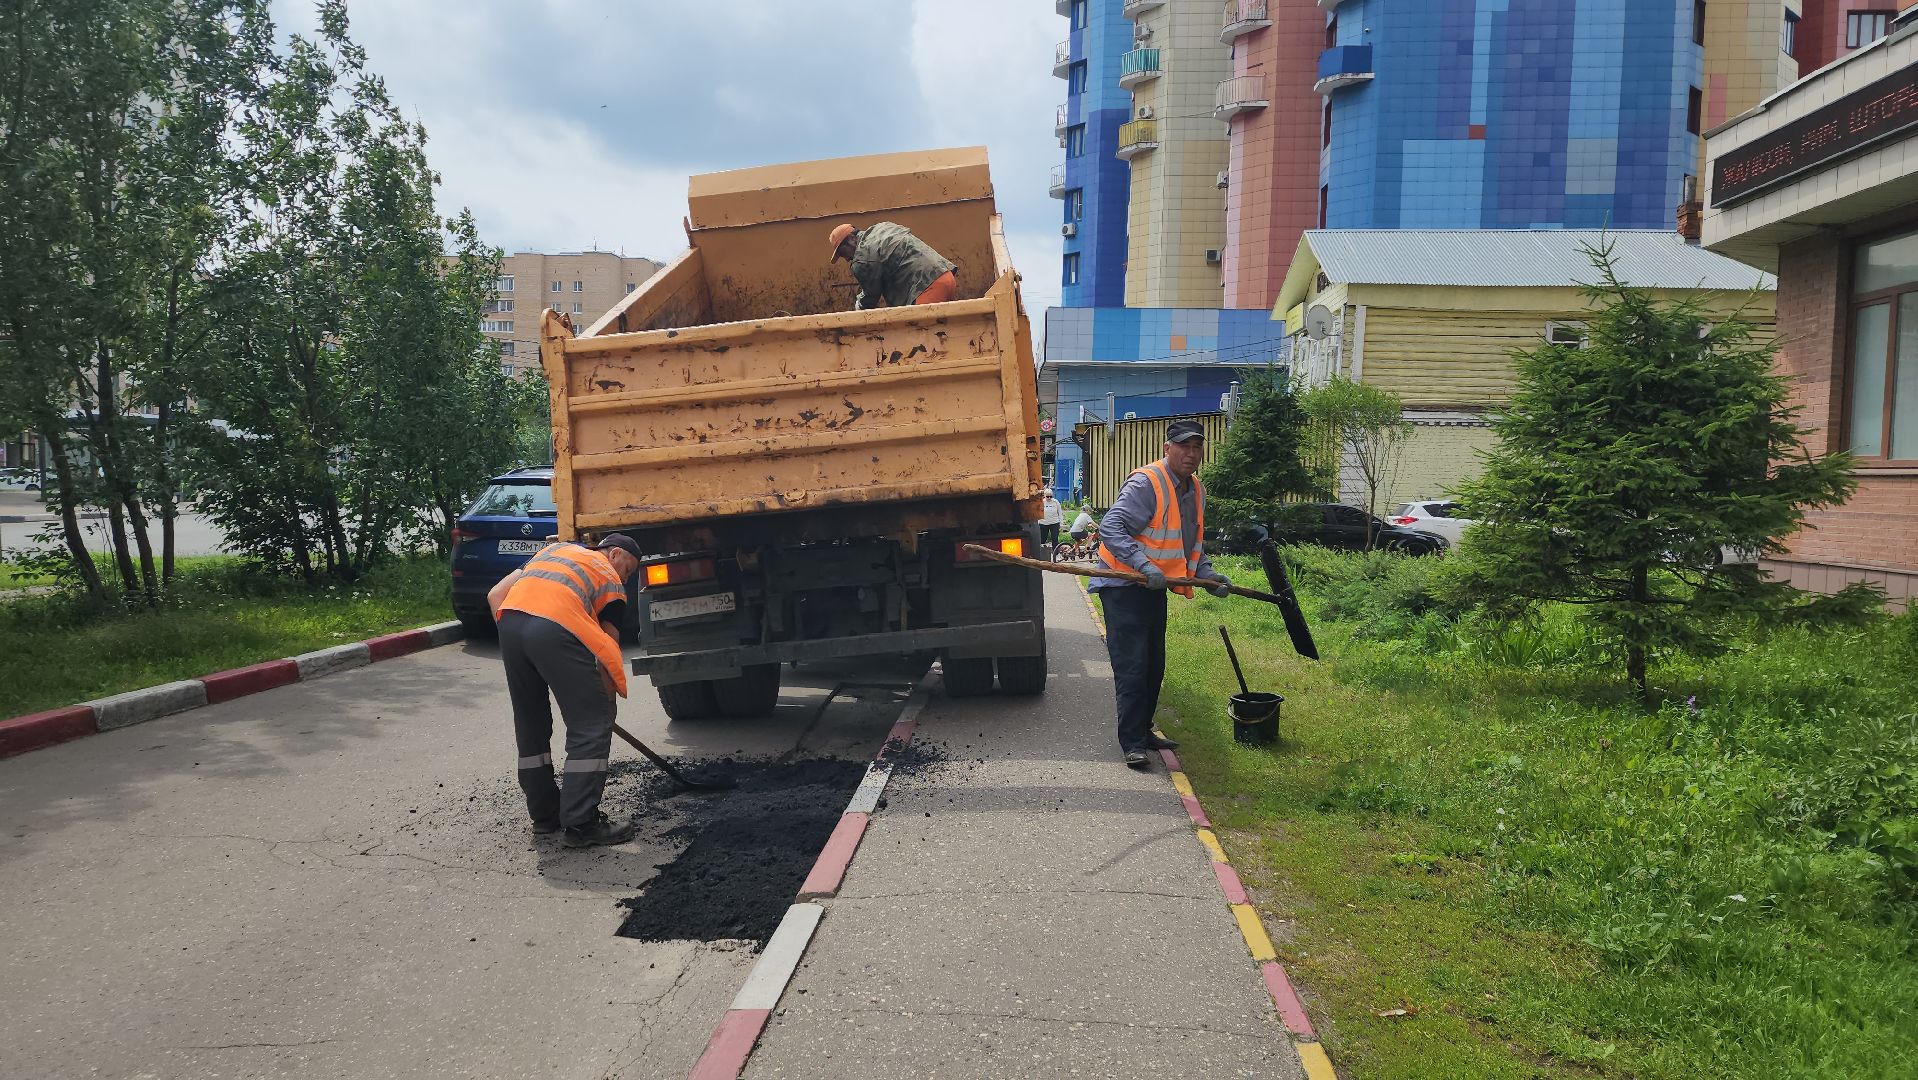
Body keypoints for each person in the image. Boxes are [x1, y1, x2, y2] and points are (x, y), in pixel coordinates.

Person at [1090, 419, 1231, 768]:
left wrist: (1207, 574)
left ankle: (1144, 729)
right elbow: (1110, 527)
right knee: (1133, 666)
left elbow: (1186, 543)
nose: (1191, 453)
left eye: (1197, 447)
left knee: (1154, 666)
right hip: (1123, 585)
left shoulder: (1194, 489)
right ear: (1167, 449)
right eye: (1184, 446)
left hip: (1154, 589)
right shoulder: (1147, 483)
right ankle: (1132, 743)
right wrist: (1143, 565)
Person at [487, 534, 643, 847]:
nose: (626, 577)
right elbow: (607, 651)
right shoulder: (610, 581)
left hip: (511, 625)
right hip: (554, 627)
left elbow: (496, 594)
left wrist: (522, 640)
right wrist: (602, 710)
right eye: (629, 570)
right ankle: (581, 823)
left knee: (531, 722)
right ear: (614, 554)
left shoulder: (555, 551)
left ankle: (545, 817)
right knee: (591, 722)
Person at [829, 222, 958, 309]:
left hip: (927, 288)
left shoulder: (862, 258)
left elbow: (870, 297)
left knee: (923, 341)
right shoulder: (882, 227)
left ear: (851, 239)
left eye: (842, 252)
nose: (846, 259)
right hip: (945, 276)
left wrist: (858, 308)